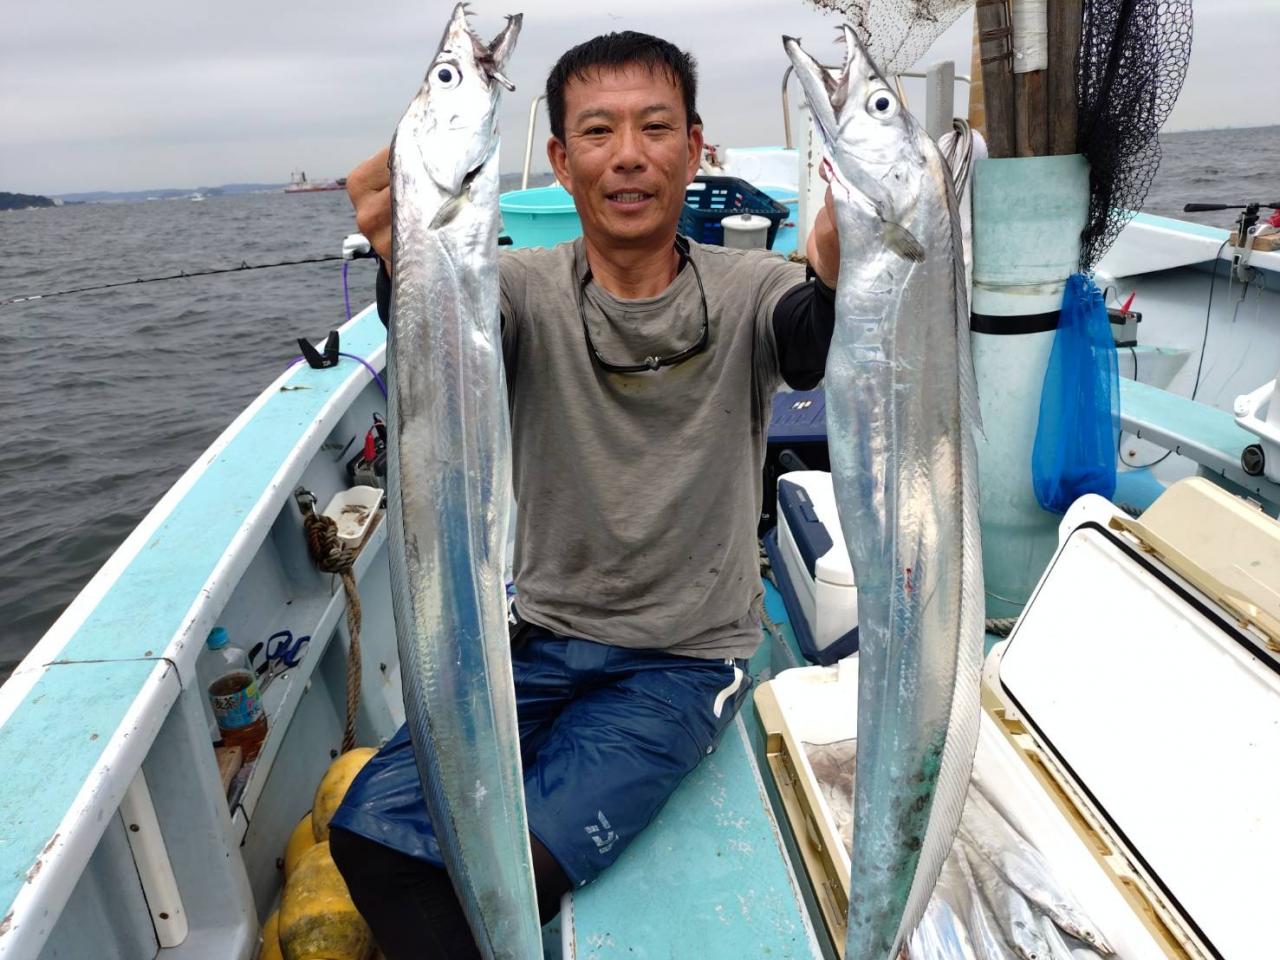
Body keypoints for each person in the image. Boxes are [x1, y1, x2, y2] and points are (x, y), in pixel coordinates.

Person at [329, 30, 841, 959]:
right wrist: (409, 261)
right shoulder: (518, 289)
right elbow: (454, 334)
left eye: (656, 127)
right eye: (599, 132)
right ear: (562, 162)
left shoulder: (753, 286)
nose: (629, 155)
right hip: (535, 639)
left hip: (682, 660)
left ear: (695, 146)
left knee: (507, 866)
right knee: (368, 836)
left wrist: (847, 273)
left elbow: (810, 336)